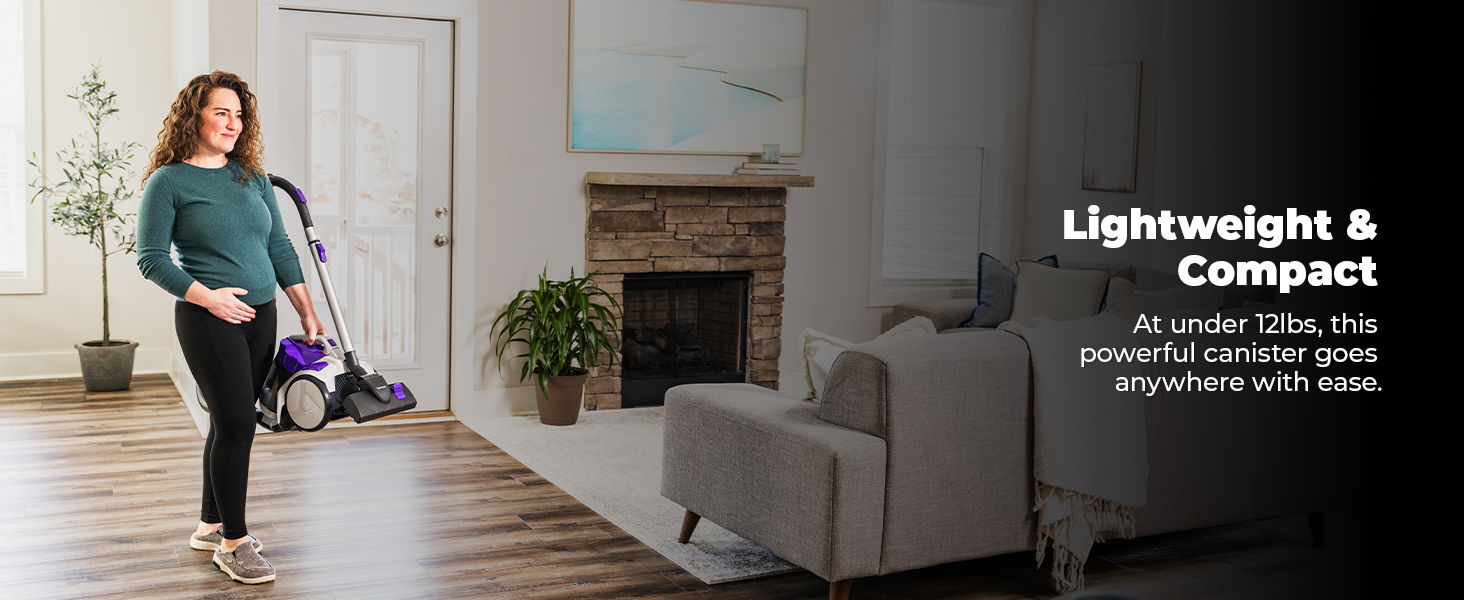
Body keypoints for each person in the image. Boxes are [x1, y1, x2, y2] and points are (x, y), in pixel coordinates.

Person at [136, 71, 324, 585]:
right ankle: (234, 544)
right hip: (207, 318)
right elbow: (150, 259)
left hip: (263, 315)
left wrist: (304, 309)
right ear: (192, 116)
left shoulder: (253, 178)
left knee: (228, 420)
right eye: (222, 112)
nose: (233, 123)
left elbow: (279, 248)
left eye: (239, 114)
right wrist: (209, 298)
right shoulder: (168, 181)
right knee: (240, 423)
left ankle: (209, 524)